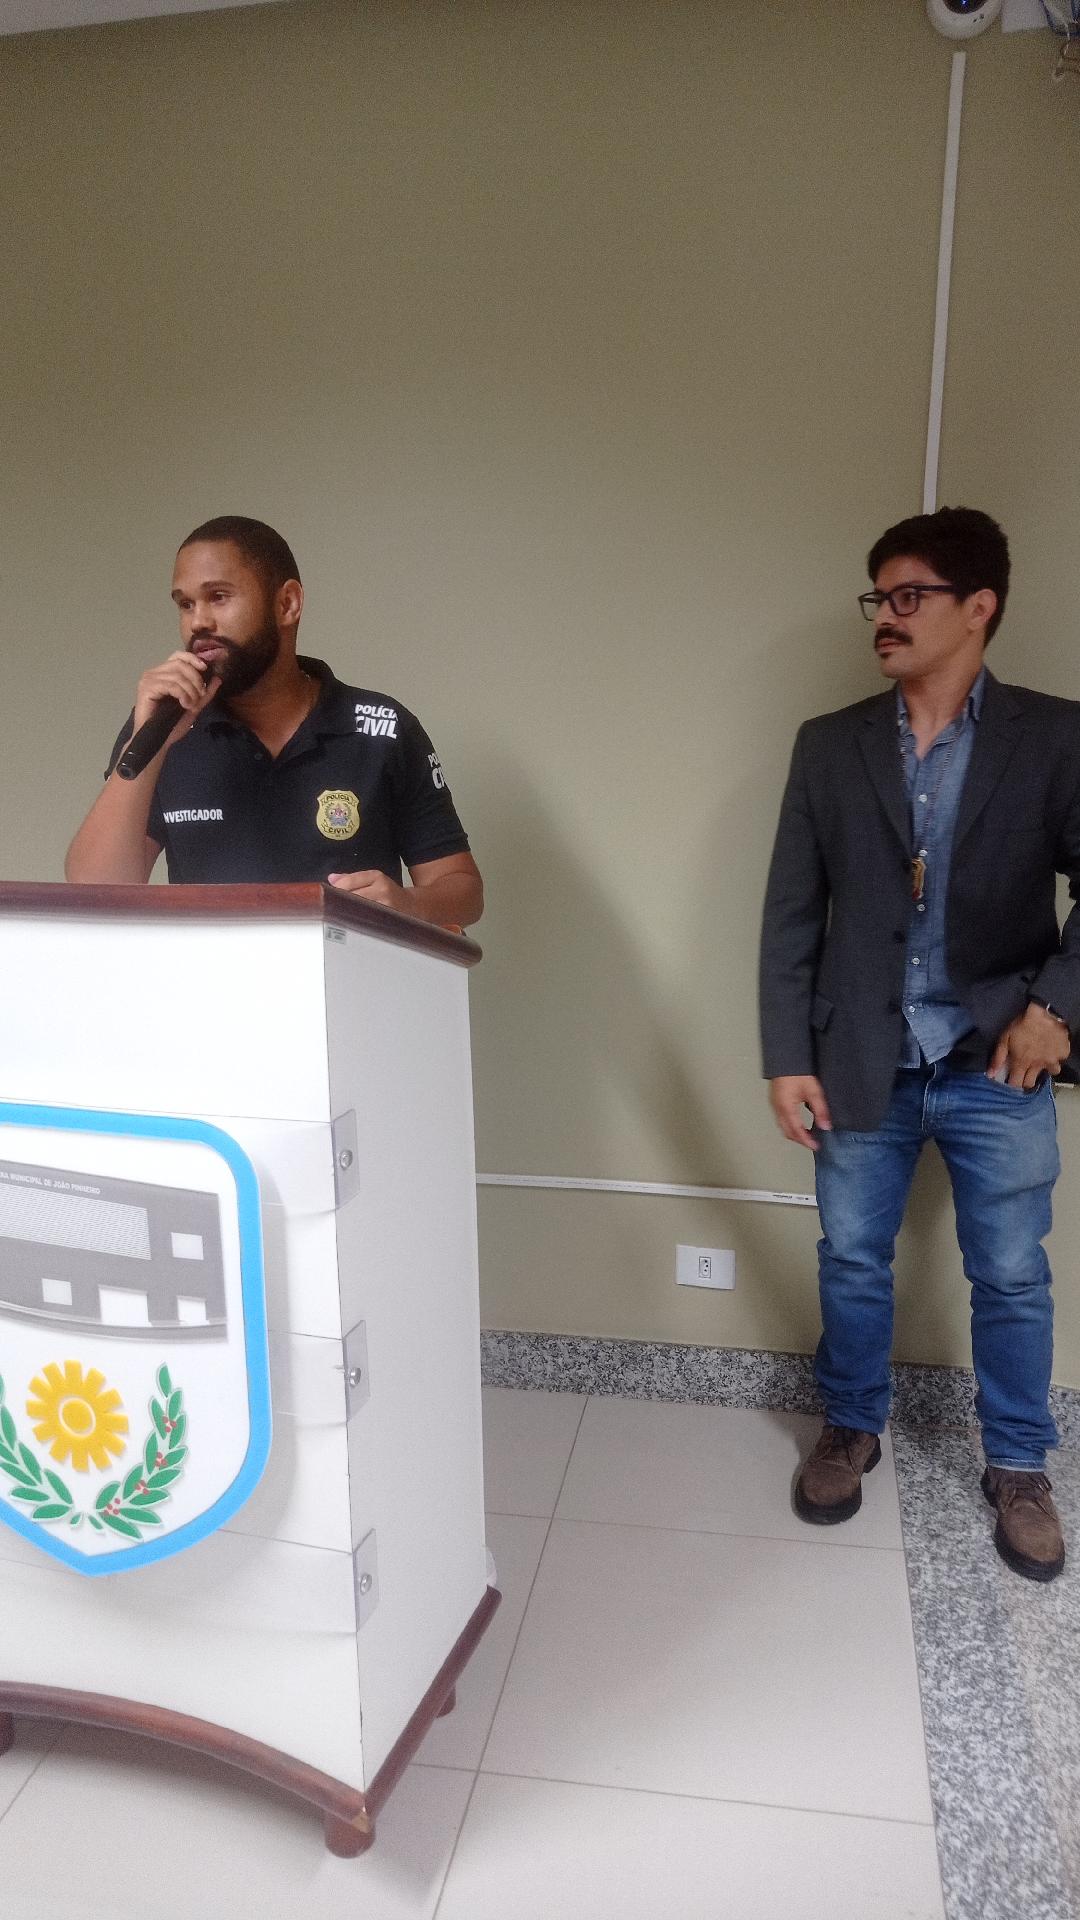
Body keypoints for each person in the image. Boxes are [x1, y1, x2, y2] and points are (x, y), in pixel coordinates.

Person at [759, 505, 1080, 1582]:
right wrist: (784, 1054)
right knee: (852, 1257)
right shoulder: (830, 744)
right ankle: (851, 1425)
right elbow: (792, 912)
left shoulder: (1056, 737)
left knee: (1012, 1273)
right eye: (879, 598)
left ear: (978, 607)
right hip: (862, 1054)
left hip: (998, 1061)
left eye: (909, 597)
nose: (884, 618)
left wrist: (1056, 1008)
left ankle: (1019, 1465)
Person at [65, 516, 483, 930]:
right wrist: (147, 741)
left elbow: (463, 890)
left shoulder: (384, 728)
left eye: (218, 597)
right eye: (185, 604)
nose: (197, 622)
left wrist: (407, 904)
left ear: (287, 604)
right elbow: (96, 889)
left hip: (347, 973)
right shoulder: (161, 726)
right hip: (209, 973)